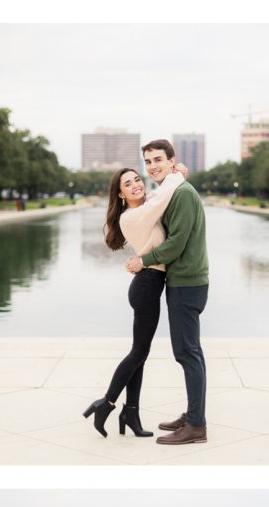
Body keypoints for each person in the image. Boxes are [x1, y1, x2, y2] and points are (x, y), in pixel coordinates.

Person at [83, 163, 189, 439]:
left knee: (140, 353)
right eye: (127, 184)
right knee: (138, 353)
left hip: (150, 283)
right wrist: (175, 177)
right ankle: (106, 403)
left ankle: (131, 413)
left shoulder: (147, 205)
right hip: (146, 286)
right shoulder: (131, 217)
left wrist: (178, 174)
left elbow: (162, 195)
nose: (136, 185)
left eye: (137, 179)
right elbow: (164, 196)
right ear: (120, 194)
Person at [125, 139, 210, 447]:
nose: (152, 166)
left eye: (158, 159)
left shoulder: (183, 195)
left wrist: (141, 261)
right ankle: (193, 414)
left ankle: (196, 426)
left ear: (171, 161)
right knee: (190, 352)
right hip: (182, 281)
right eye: (148, 161)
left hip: (188, 283)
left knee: (187, 353)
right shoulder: (174, 190)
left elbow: (176, 244)